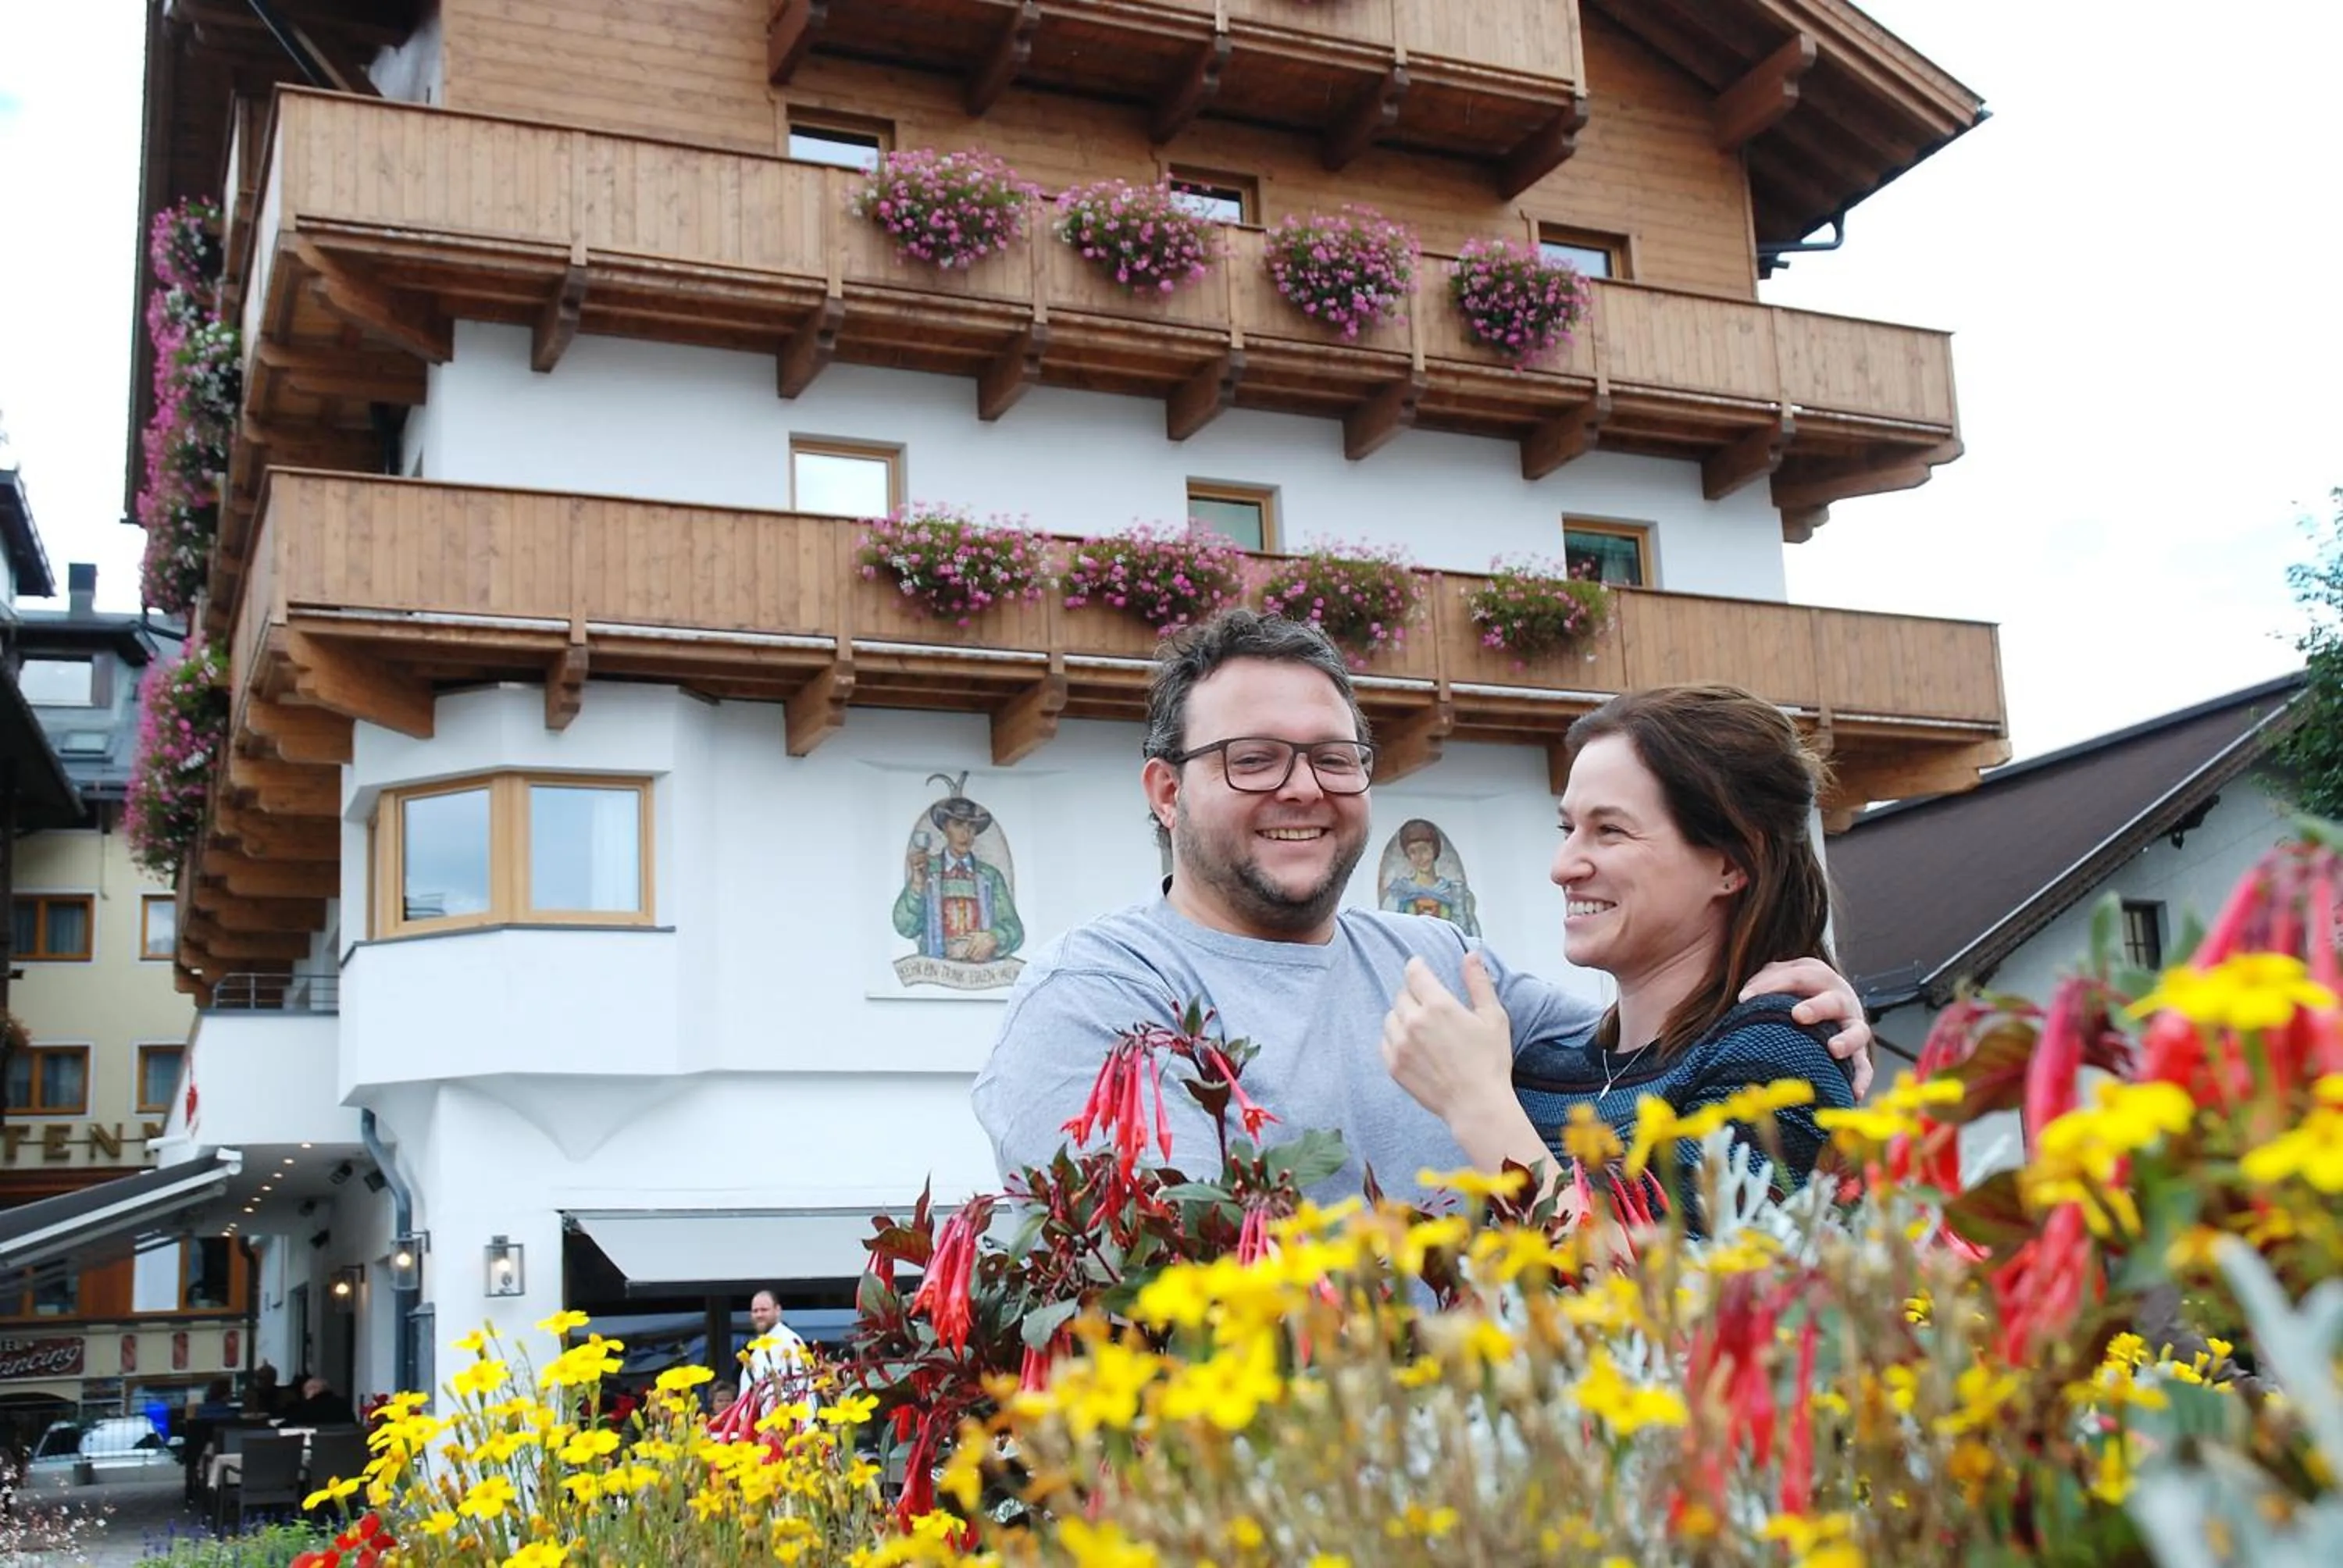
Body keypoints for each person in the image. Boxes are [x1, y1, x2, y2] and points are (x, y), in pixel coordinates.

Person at [972, 611, 1873, 1207]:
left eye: (1333, 757)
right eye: (1252, 759)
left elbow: (1656, 1043)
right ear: (1166, 792)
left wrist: (1805, 1002)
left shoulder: (1439, 960)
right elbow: (1166, 1288)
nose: (1301, 789)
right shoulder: (1096, 994)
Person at [1382, 684, 1857, 1193]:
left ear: (1732, 861)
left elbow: (1682, 1273)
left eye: (1609, 830)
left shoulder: (1774, 1056)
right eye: (1568, 829)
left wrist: (1478, 1105)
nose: (1563, 867)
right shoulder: (1545, 1071)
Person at [893, 795, 1025, 963]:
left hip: (980, 972)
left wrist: (994, 937)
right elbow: (905, 927)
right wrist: (917, 885)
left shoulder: (989, 876)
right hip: (937, 973)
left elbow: (1015, 930)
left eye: (971, 826)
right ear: (945, 828)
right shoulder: (928, 869)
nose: (966, 833)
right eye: (958, 825)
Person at [1380, 818, 1479, 935]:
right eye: (1413, 852)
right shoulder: (1398, 894)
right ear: (1407, 856)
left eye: (1424, 850)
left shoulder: (1455, 893)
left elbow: (1472, 938)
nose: (1420, 857)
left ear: (1434, 850)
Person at [733, 1288, 816, 1426]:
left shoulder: (788, 1341)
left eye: (764, 1310)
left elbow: (798, 1388)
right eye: (755, 1311)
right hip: (761, 1429)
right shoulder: (760, 1345)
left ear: (778, 1311)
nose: (759, 1315)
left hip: (783, 1428)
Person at [280, 1375, 358, 1427]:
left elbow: (287, 1425)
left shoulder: (307, 1408)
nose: (305, 1396)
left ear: (313, 1390)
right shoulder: (344, 1405)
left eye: (305, 1392)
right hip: (343, 1449)